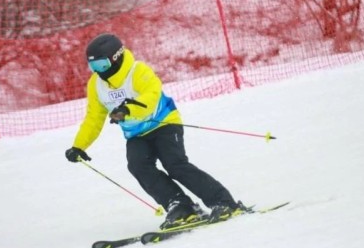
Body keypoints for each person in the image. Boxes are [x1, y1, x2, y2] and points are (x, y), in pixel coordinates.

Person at [65, 33, 246, 229]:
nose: (98, 71)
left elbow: (152, 95)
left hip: (164, 124)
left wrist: (127, 110)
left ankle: (224, 202)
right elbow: (93, 118)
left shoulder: (137, 71)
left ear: (116, 58)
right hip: (136, 134)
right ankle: (181, 206)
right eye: (93, 67)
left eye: (102, 65)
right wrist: (79, 146)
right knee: (138, 166)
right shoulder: (96, 85)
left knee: (175, 165)